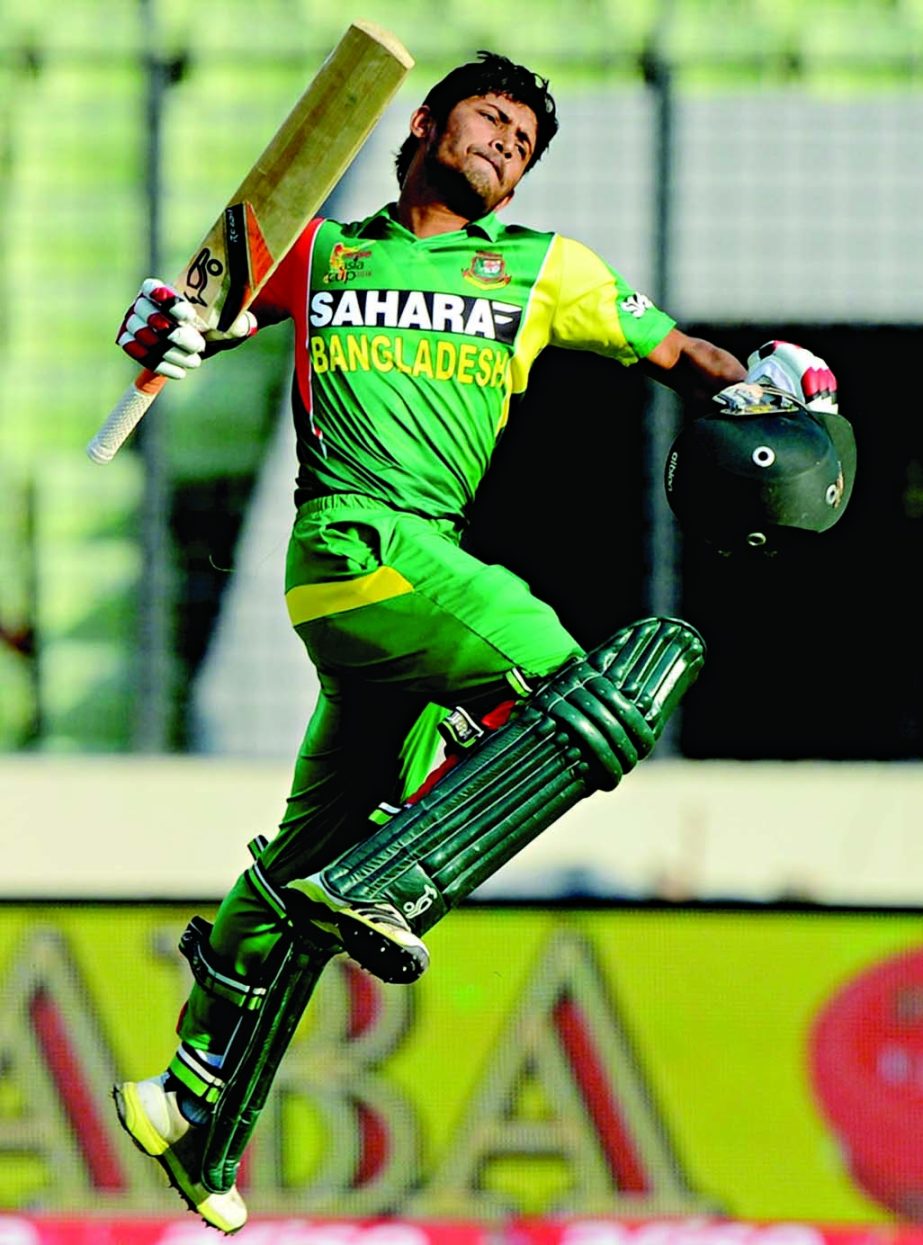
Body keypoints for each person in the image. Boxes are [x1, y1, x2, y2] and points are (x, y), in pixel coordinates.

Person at [110, 52, 844, 1235]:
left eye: (526, 140)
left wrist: (763, 377)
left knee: (305, 863)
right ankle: (404, 878)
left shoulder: (543, 269)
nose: (508, 143)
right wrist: (162, 328)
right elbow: (192, 318)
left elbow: (675, 357)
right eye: (491, 118)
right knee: (575, 677)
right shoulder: (327, 252)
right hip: (356, 543)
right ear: (425, 123)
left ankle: (191, 1096)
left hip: (394, 592)